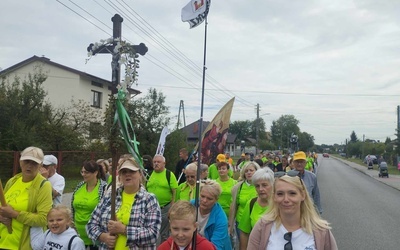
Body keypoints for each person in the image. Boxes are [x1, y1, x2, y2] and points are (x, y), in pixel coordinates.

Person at [248, 171, 338, 250]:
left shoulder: (321, 231)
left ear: (303, 195)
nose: (286, 199)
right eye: (280, 194)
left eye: (292, 193)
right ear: (274, 197)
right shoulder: (262, 226)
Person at [87, 157, 161, 249]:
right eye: (124, 172)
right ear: (120, 176)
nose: (127, 174)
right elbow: (91, 224)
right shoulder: (110, 197)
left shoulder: (149, 200)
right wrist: (103, 237)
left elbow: (153, 235)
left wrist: (124, 230)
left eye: (132, 171)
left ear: (140, 174)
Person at [0, 146, 53, 250]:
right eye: (26, 161)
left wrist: (14, 214)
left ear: (41, 165)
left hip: (23, 245)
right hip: (3, 241)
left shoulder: (43, 185)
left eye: (34, 163)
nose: (29, 166)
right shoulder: (12, 181)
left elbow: (43, 219)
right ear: (20, 162)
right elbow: (2, 207)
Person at [71, 160, 107, 249]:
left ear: (95, 173)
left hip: (94, 237)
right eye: (82, 172)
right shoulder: (79, 186)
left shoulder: (104, 188)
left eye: (86, 172)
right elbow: (73, 208)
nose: (83, 174)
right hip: (77, 234)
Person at [238, 168, 274, 250]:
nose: (261, 189)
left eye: (264, 185)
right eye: (257, 186)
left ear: (272, 185)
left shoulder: (279, 203)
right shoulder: (251, 203)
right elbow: (244, 233)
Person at [146, 154, 178, 245]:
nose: (156, 164)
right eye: (154, 162)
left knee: (164, 233)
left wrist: (172, 207)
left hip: (165, 208)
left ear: (164, 163)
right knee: (152, 231)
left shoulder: (169, 174)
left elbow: (174, 191)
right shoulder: (149, 174)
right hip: (151, 209)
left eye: (158, 162)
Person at [193, 180, 232, 250]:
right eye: (202, 196)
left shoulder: (221, 219)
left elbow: (216, 247)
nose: (204, 200)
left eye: (209, 199)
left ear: (216, 200)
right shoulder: (192, 205)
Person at [228, 161, 260, 242]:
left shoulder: (261, 186)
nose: (249, 173)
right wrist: (230, 225)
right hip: (241, 223)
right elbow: (233, 206)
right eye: (246, 171)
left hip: (258, 223)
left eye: (251, 170)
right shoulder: (238, 187)